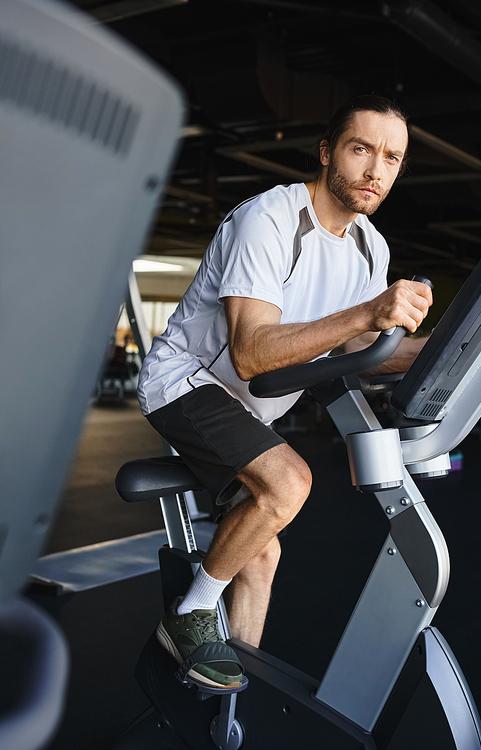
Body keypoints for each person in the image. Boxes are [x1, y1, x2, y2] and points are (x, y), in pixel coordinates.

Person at [137, 94, 433, 690]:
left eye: (392, 158)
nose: (377, 170)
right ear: (327, 153)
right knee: (289, 482)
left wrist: (456, 352)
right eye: (361, 149)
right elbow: (250, 353)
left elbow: (360, 352)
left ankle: (228, 700)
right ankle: (191, 614)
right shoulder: (268, 220)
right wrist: (368, 313)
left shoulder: (370, 247)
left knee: (260, 552)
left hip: (248, 407)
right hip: (187, 383)